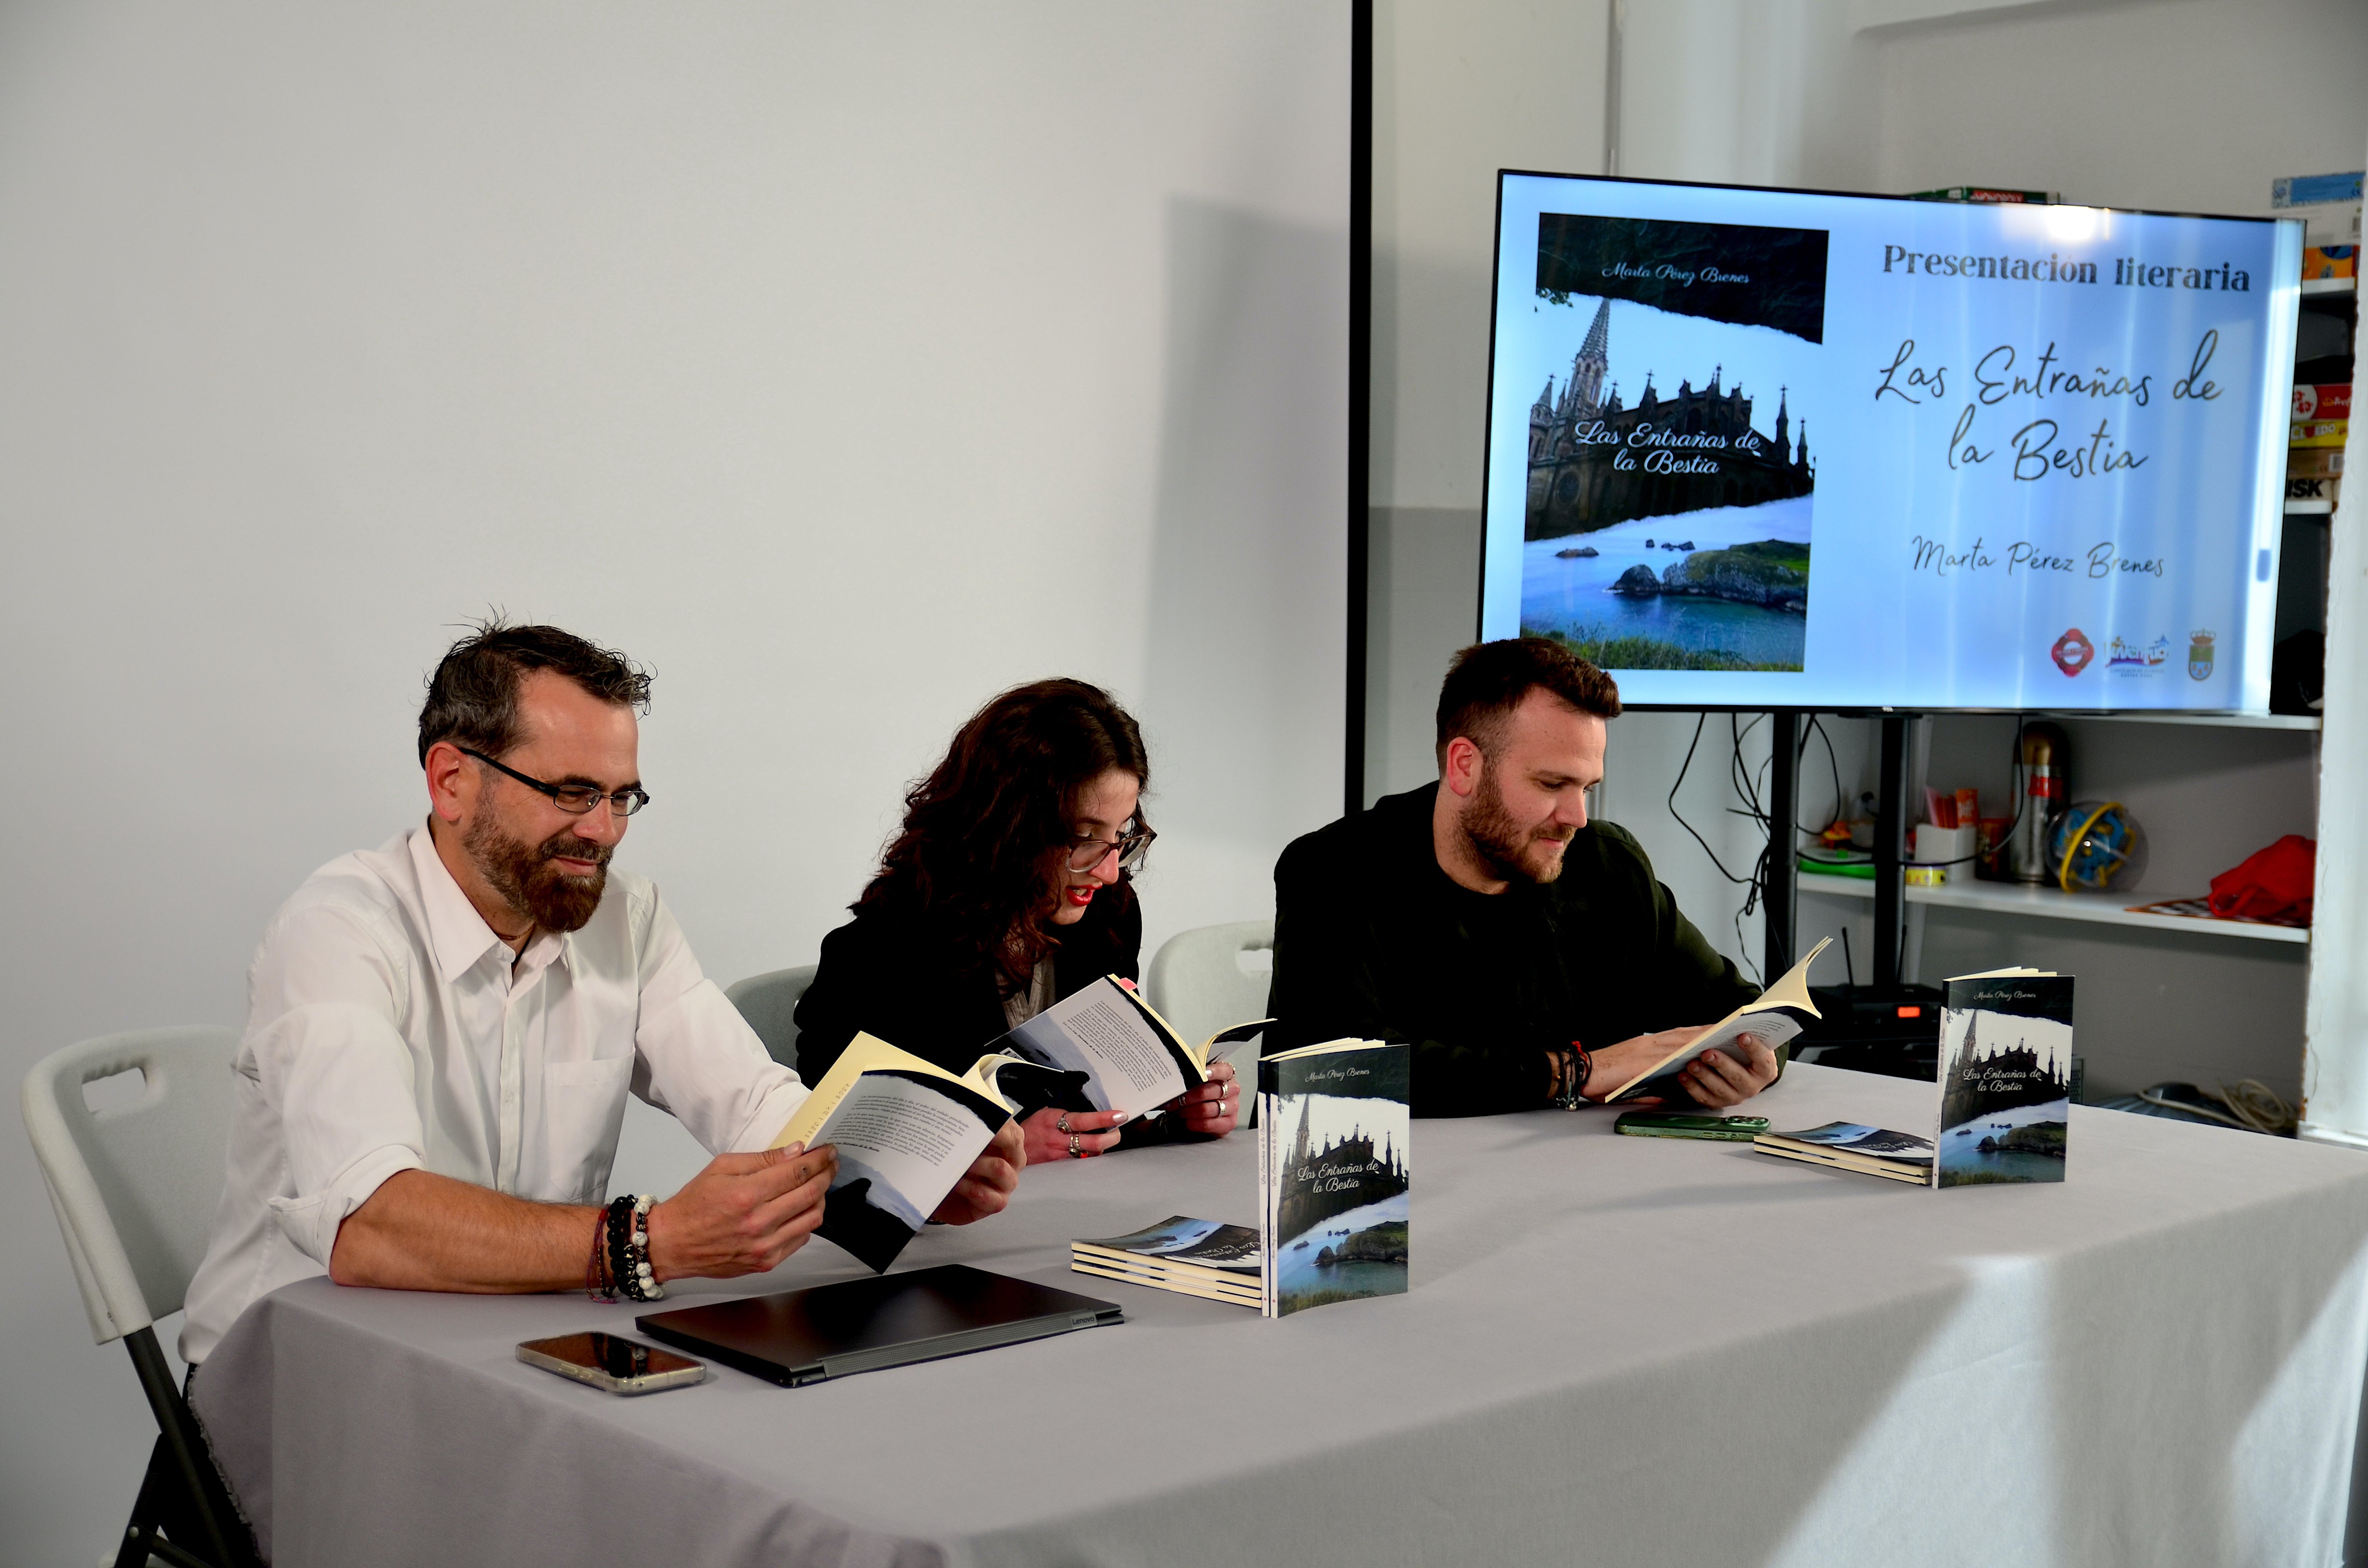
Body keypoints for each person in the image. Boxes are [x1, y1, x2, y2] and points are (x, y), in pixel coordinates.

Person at [180, 622, 1022, 1365]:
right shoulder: (337, 929)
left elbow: (755, 1102)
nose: (603, 830)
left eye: (623, 796)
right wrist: (650, 1240)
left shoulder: (629, 916)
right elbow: (370, 1225)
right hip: (305, 1370)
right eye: (571, 792)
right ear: (450, 780)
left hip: (517, 1353)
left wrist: (904, 1177)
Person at [1265, 637, 1779, 1117]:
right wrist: (1579, 1073)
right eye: (1552, 783)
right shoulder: (1334, 872)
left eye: (1587, 787)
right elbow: (1333, 1074)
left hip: (1576, 1181)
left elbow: (1747, 1017)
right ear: (1464, 766)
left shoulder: (1608, 867)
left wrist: (1749, 1064)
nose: (1576, 816)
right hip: (1394, 1191)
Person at [794, 678, 1238, 1163]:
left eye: (1121, 836)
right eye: (1084, 837)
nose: (1109, 872)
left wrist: (1170, 1112)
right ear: (1008, 826)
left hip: (1084, 1207)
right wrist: (997, 1146)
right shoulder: (880, 953)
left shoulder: (1109, 917)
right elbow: (838, 1137)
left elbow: (1099, 1108)